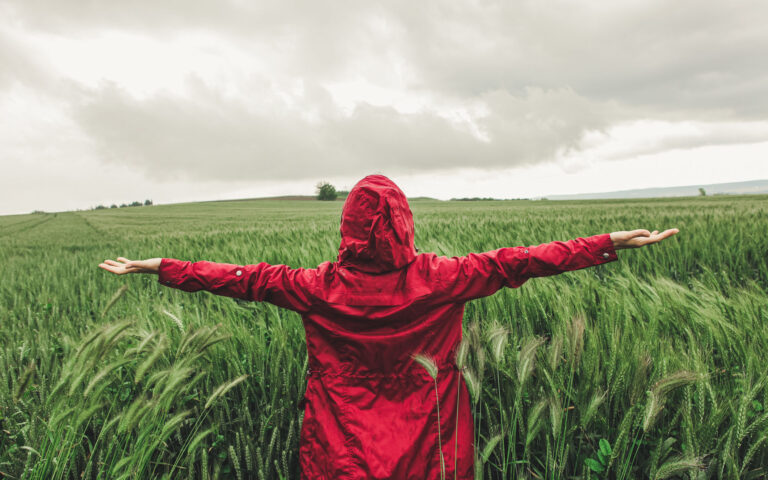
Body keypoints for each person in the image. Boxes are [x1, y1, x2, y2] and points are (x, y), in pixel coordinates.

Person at [99, 174, 678, 479]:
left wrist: (161, 266)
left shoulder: (315, 286)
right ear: (404, 223)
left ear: (348, 228)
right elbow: (520, 261)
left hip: (341, 442)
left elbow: (239, 278)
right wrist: (605, 242)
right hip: (432, 437)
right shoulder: (444, 277)